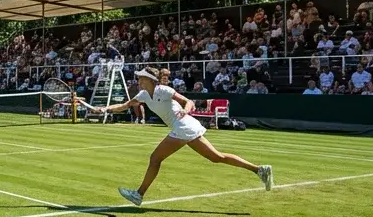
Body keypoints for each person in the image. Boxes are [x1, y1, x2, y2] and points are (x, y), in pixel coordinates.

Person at [86, 67, 272, 206]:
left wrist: (185, 110)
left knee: (155, 158)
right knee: (216, 157)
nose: (139, 81)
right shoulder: (143, 94)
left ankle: (139, 194)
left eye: (142, 78)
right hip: (183, 128)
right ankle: (259, 170)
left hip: (183, 125)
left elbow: (188, 101)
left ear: (150, 80)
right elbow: (125, 105)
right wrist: (103, 109)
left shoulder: (164, 90)